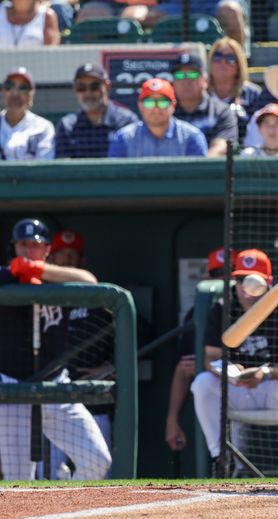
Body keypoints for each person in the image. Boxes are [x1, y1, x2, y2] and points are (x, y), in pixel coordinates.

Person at [0, 218, 110, 480]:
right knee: (19, 481)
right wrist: (13, 273)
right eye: (23, 245)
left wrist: (39, 269)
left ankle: (66, 514)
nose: (29, 251)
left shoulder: (59, 279)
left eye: (36, 245)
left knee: (98, 461)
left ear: (47, 249)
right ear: (14, 247)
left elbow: (90, 281)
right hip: (13, 387)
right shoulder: (5, 277)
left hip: (57, 388)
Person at [191, 249, 278, 468]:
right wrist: (229, 371)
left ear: (268, 282)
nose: (246, 287)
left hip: (269, 387)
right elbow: (211, 358)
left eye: (253, 279)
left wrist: (264, 373)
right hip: (235, 387)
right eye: (240, 279)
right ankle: (221, 457)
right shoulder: (221, 309)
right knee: (202, 383)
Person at [165, 246, 232, 453]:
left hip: (251, 386)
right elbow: (185, 367)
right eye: (216, 274)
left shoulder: (256, 309)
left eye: (229, 273)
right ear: (207, 277)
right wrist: (172, 419)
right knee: (202, 381)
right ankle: (221, 463)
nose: (222, 279)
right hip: (217, 390)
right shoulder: (199, 313)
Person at [108, 78, 208, 158]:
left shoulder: (192, 136)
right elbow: (114, 179)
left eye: (162, 102)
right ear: (140, 105)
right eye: (149, 102)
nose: (156, 109)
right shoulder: (123, 138)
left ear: (173, 105)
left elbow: (200, 179)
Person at [55, 63, 138, 159]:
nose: (88, 93)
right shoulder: (67, 126)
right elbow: (62, 168)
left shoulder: (126, 121)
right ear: (74, 89)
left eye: (94, 86)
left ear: (107, 87)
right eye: (81, 87)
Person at [171, 53, 238, 157]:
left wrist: (197, 167)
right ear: (173, 82)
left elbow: (221, 147)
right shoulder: (165, 112)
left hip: (210, 171)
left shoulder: (221, 111)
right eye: (180, 76)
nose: (186, 81)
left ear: (205, 80)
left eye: (193, 75)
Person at [207, 37, 263, 144]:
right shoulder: (200, 93)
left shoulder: (252, 94)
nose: (223, 62)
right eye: (217, 57)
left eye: (230, 58)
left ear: (239, 65)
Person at [1, 67, 54, 161]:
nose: (15, 93)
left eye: (23, 88)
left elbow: (43, 168)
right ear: (4, 91)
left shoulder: (43, 127)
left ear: (31, 93)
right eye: (9, 86)